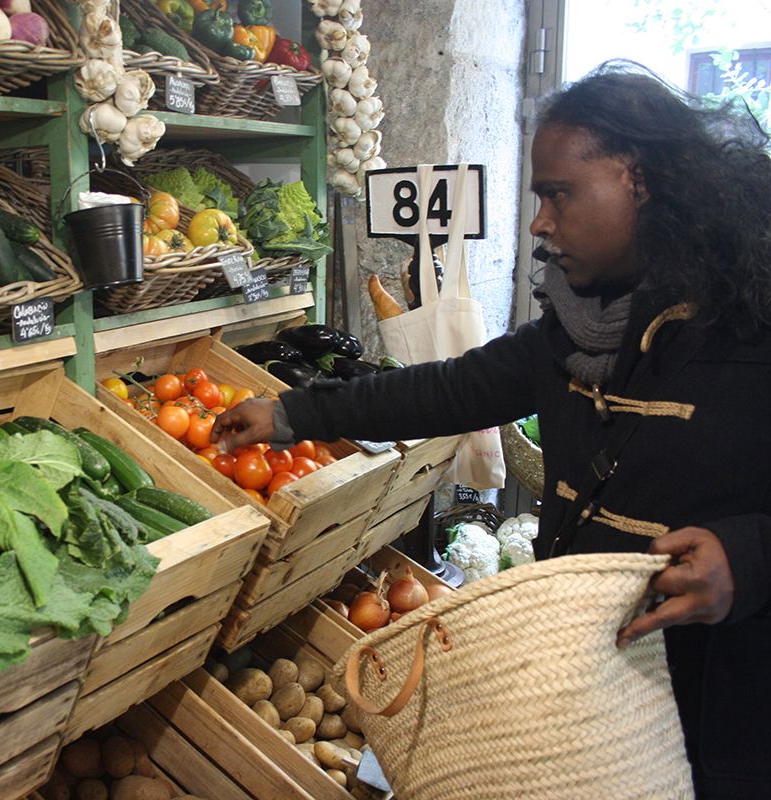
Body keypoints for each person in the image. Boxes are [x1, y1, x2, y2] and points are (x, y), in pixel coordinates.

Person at [213, 61, 771, 798]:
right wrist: (289, 414)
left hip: (727, 711)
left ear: (640, 179)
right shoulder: (568, 331)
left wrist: (751, 555)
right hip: (595, 694)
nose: (540, 221)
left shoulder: (751, 333)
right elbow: (447, 389)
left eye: (558, 194)